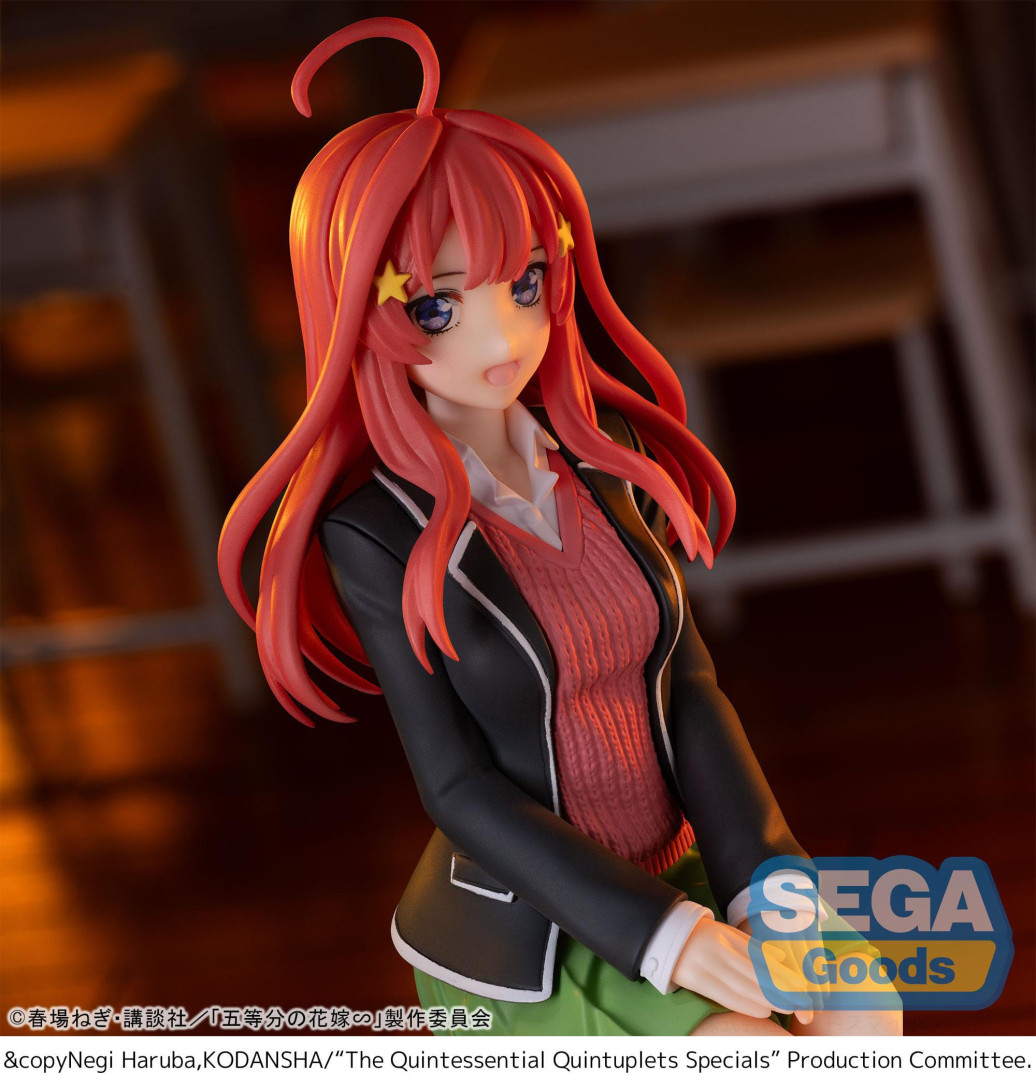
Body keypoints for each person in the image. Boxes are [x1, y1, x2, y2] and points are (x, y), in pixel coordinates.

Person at [219, 17, 900, 1037]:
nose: (503, 333)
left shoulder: (600, 455)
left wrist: (768, 889)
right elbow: (457, 786)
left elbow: (688, 687)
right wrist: (668, 937)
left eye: (526, 281)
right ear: (360, 307)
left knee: (860, 1012)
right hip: (538, 925)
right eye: (439, 308)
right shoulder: (376, 532)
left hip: (683, 868)